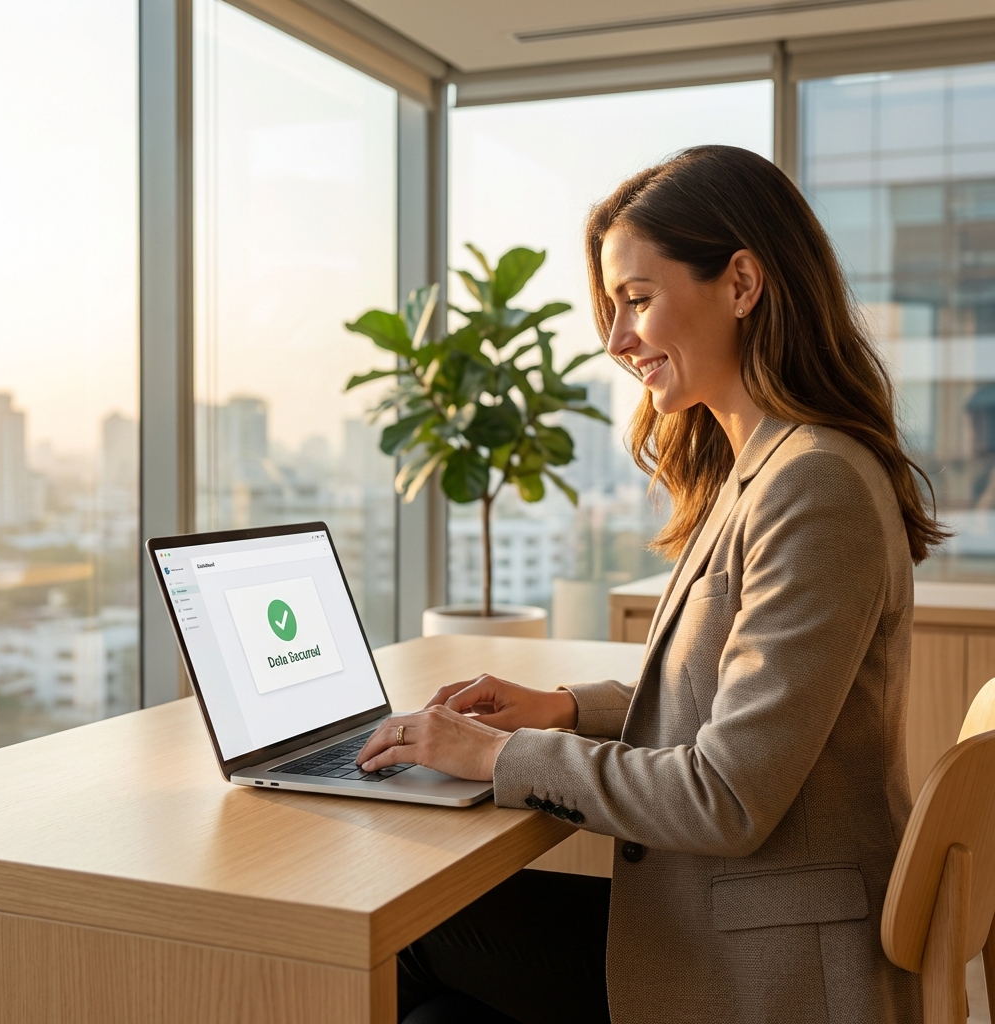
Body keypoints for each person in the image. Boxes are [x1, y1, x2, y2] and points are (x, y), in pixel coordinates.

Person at [357, 145, 944, 1024]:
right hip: (736, 914)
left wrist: (492, 756)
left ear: (742, 282)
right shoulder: (761, 467)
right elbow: (727, 693)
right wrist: (562, 708)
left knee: (412, 945)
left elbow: (728, 794)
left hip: (774, 966)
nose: (617, 339)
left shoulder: (812, 483)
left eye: (636, 300)